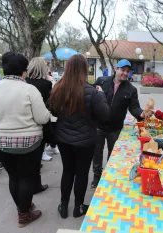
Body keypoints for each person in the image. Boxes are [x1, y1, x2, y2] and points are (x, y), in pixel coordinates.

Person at [0, 52, 51, 228]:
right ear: (24, 71)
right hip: (27, 144)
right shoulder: (29, 90)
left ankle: (22, 206)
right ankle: (24, 214)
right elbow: (43, 118)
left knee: (13, 177)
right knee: (26, 178)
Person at [49, 54, 109, 219]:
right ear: (84, 69)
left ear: (67, 68)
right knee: (81, 173)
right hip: (86, 141)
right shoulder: (93, 92)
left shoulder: (57, 89)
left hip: (63, 139)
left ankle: (63, 205)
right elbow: (105, 115)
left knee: (67, 171)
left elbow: (53, 111)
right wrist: (102, 95)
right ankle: (78, 207)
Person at [91, 59, 145, 188]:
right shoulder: (101, 81)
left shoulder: (131, 89)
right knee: (97, 152)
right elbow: (90, 96)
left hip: (115, 128)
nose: (125, 73)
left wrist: (141, 114)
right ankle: (96, 177)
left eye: (128, 71)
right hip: (98, 125)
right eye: (123, 70)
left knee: (112, 154)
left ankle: (108, 176)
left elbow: (134, 107)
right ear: (116, 69)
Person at [25, 57, 57, 194]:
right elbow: (50, 104)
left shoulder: (24, 82)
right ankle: (36, 185)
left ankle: (27, 182)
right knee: (37, 155)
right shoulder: (46, 84)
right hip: (41, 122)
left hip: (25, 121)